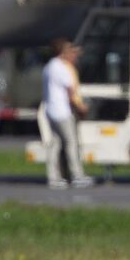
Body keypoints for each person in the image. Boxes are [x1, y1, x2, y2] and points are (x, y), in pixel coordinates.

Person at [42, 40, 90, 190]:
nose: (72, 54)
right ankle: (77, 176)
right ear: (62, 52)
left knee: (55, 144)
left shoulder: (48, 67)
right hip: (62, 111)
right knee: (71, 144)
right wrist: (81, 107)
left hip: (49, 110)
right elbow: (71, 91)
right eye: (69, 50)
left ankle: (53, 177)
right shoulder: (62, 68)